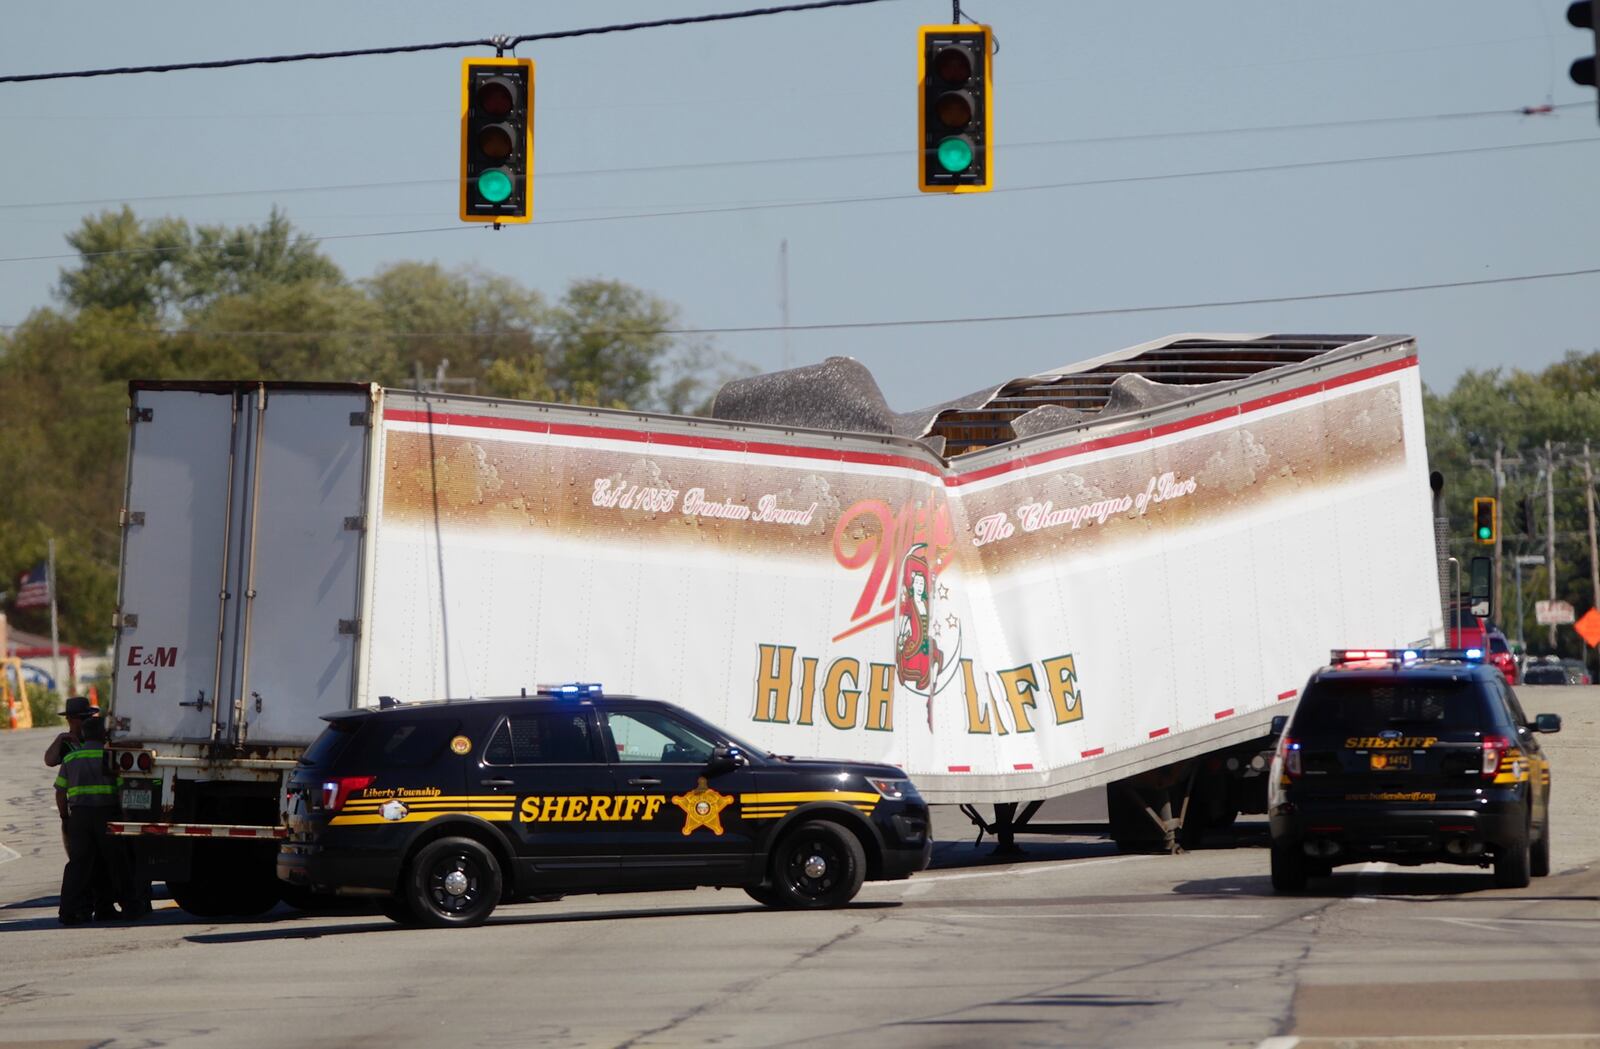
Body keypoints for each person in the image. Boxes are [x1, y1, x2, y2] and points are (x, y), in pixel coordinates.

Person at [58, 714, 146, 924]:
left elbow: (60, 792)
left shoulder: (71, 758)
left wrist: (65, 817)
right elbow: (121, 789)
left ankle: (68, 911)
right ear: (103, 734)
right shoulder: (110, 757)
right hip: (107, 815)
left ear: (85, 735)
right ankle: (131, 907)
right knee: (117, 862)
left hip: (79, 816)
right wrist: (125, 816)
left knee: (78, 864)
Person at [45, 695, 99, 853]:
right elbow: (49, 760)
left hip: (102, 803)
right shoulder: (66, 743)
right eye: (82, 719)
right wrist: (60, 738)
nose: (85, 722)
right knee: (76, 854)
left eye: (87, 718)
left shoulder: (99, 738)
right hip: (77, 807)